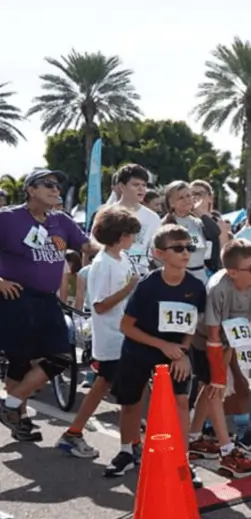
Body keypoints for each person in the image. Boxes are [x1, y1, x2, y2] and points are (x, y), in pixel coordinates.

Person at [0, 169, 96, 442]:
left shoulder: (61, 221)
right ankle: (21, 422)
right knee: (20, 362)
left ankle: (9, 405)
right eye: (48, 185)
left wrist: (117, 249)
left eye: (58, 185)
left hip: (46, 299)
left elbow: (88, 244)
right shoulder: (8, 218)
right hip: (15, 298)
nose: (56, 189)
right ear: (30, 190)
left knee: (60, 357)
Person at [105, 224, 205, 479]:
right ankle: (127, 451)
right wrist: (163, 345)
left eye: (189, 247)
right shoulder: (148, 285)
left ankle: (182, 459)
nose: (186, 253)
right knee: (131, 402)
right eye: (178, 248)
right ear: (160, 254)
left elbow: (191, 324)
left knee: (181, 400)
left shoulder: (196, 286)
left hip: (175, 349)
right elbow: (126, 326)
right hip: (141, 346)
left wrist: (182, 352)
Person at [58, 206, 141, 459]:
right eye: (131, 234)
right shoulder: (103, 265)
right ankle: (131, 443)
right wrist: (129, 289)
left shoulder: (123, 258)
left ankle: (75, 432)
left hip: (124, 335)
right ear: (120, 235)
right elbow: (100, 306)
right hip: (112, 337)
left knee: (106, 385)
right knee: (131, 390)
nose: (134, 238)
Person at [187, 239, 251, 477]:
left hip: (230, 338)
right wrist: (219, 371)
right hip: (205, 339)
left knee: (213, 386)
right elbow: (213, 336)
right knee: (216, 385)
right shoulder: (218, 288)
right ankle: (227, 451)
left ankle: (194, 438)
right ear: (232, 272)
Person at [111, 164, 161, 275]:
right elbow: (94, 245)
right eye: (136, 184)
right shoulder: (107, 214)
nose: (141, 189)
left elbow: (156, 251)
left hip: (141, 275)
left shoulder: (153, 218)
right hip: (112, 274)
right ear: (122, 186)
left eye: (144, 185)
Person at [162, 181, 211, 281]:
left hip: (201, 275)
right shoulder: (164, 224)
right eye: (181, 198)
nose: (186, 200)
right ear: (171, 203)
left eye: (188, 196)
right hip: (177, 277)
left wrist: (200, 213)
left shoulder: (198, 222)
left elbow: (216, 233)